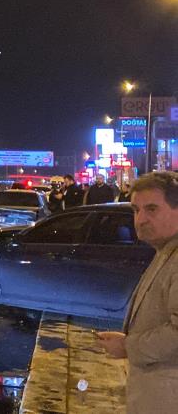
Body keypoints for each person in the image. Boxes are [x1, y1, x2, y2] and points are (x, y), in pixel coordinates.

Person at [97, 172, 178, 414]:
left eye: (151, 209)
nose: (140, 219)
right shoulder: (166, 251)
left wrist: (128, 347)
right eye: (136, 209)